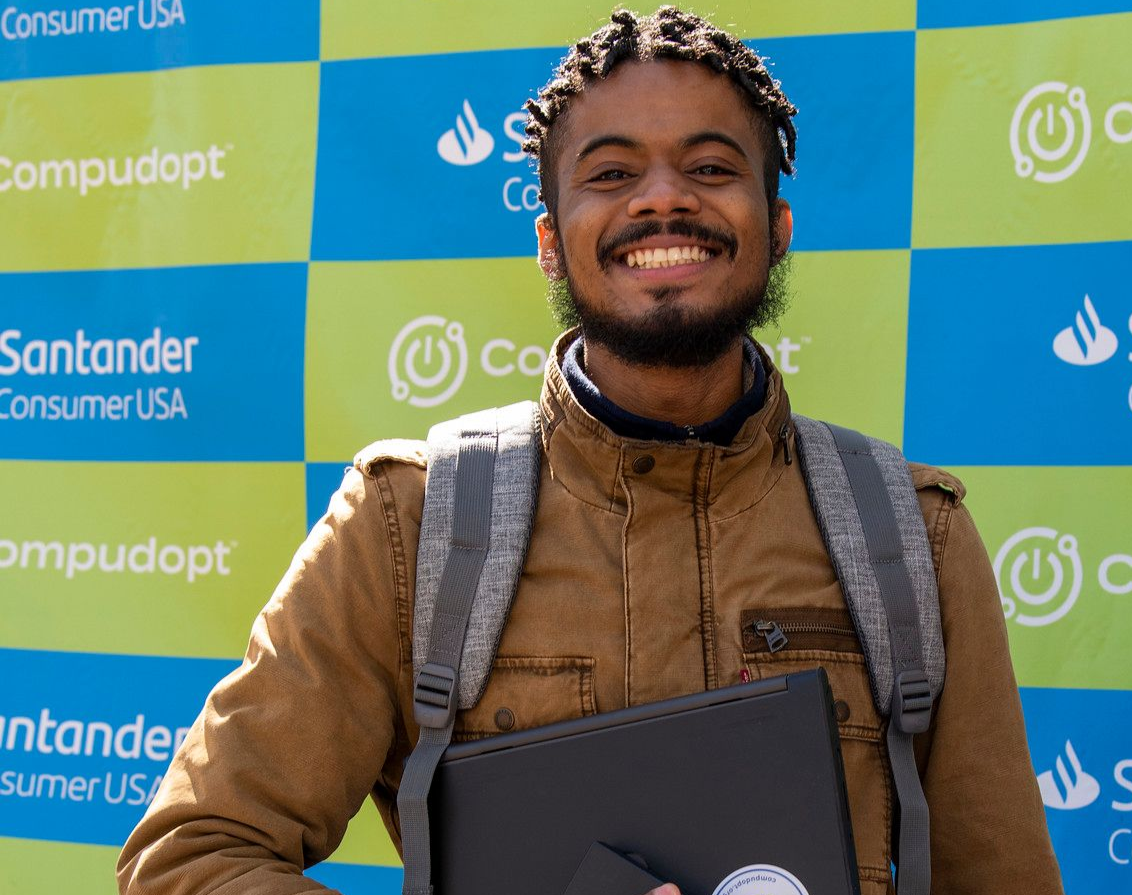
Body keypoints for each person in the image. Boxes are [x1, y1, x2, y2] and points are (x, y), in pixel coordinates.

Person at [117, 7, 1063, 894]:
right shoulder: (406, 525)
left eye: (710, 167)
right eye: (610, 174)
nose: (662, 201)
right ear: (548, 241)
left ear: (777, 227)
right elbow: (194, 852)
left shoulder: (911, 535)